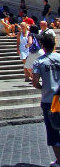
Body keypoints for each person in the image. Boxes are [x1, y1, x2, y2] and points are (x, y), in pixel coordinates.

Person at [32, 34, 60, 167]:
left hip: (49, 100)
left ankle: (59, 161)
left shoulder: (39, 62)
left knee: (53, 130)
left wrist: (44, 87)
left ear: (42, 46)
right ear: (54, 43)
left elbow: (35, 82)